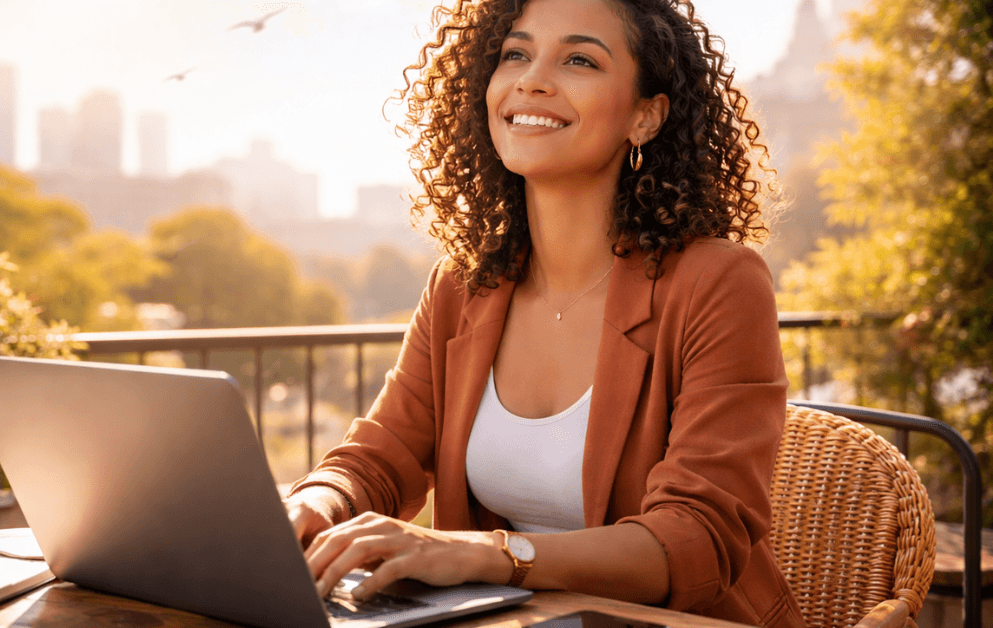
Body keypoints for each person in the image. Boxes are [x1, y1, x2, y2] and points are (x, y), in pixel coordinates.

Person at [284, 0, 804, 626]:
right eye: (515, 54)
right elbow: (380, 454)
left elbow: (695, 537)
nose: (531, 78)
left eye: (579, 59)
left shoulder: (719, 283)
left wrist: (491, 556)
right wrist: (313, 500)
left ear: (645, 116)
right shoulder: (463, 286)